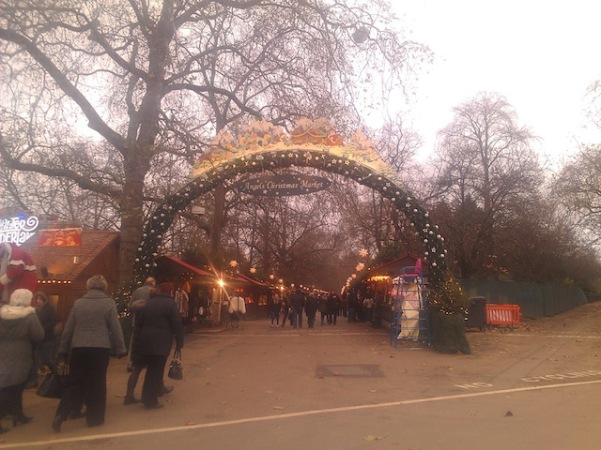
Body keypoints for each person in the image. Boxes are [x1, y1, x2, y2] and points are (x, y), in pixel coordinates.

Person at [52, 275, 126, 432]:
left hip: (79, 347)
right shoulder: (108, 303)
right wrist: (120, 348)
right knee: (97, 383)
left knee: (74, 382)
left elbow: (69, 328)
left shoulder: (79, 304)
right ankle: (94, 418)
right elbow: (115, 327)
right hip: (100, 348)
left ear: (88, 286)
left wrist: (63, 349)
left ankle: (61, 414)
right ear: (104, 287)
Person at [0, 289, 44, 433]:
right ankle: (17, 414)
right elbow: (38, 335)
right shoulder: (30, 316)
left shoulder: (2, 313)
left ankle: (18, 414)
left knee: (7, 385)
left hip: (3, 352)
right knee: (16, 386)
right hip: (21, 352)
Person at [136, 282, 184, 409]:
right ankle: (150, 399)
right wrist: (179, 341)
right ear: (170, 292)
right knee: (156, 370)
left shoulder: (149, 303)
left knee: (152, 369)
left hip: (146, 340)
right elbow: (176, 323)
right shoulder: (170, 304)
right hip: (161, 341)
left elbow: (139, 323)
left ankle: (152, 393)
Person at [27, 291, 56, 388]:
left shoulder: (50, 309)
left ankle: (56, 375)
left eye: (40, 299)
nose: (38, 301)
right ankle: (33, 380)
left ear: (44, 300)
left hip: (47, 338)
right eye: (37, 299)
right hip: (36, 339)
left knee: (46, 359)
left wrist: (42, 328)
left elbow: (53, 322)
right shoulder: (35, 310)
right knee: (34, 360)